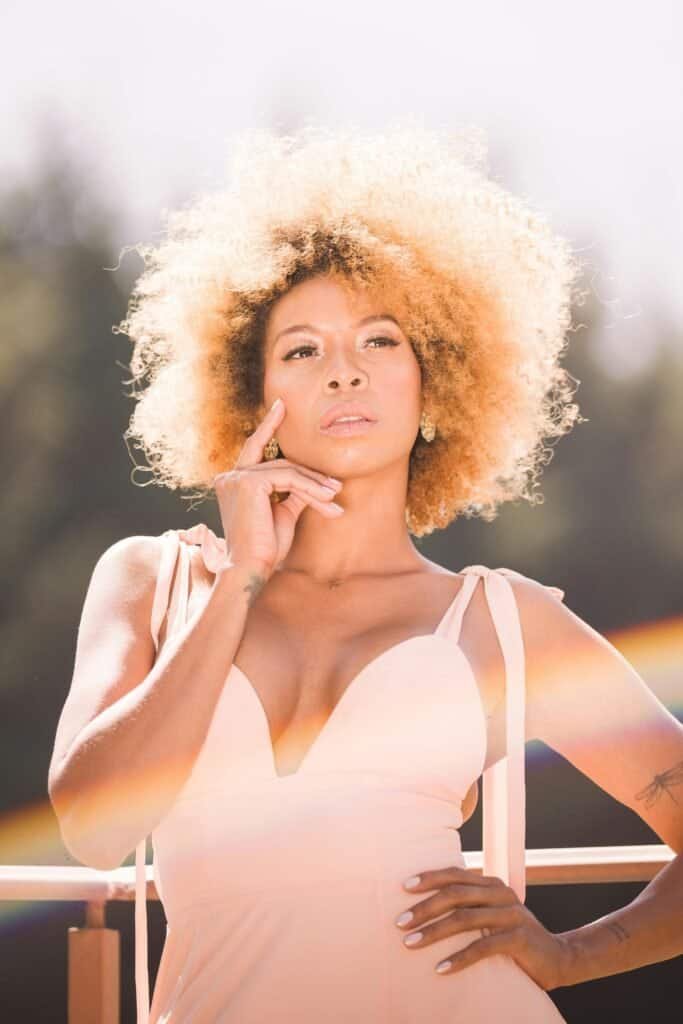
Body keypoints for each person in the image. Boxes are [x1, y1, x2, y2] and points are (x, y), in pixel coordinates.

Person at [48, 122, 683, 1023]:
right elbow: (94, 829)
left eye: (380, 341)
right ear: (248, 392)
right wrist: (240, 584)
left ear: (438, 379)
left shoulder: (501, 621)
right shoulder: (155, 582)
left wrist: (565, 956)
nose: (342, 373)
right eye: (300, 350)